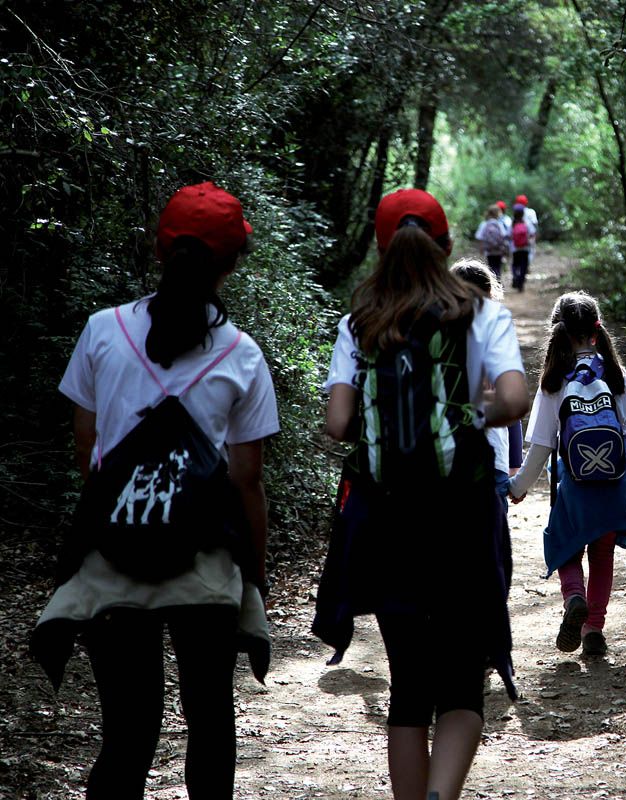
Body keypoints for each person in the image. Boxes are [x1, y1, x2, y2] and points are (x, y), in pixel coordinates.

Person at [32, 181, 278, 799]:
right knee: (211, 728)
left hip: (113, 559)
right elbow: (246, 482)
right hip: (203, 566)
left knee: (128, 735)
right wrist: (255, 574)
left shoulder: (100, 331)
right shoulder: (243, 356)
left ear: (157, 250)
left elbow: (90, 455)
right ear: (231, 264)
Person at [313, 188, 529, 800]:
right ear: (447, 246)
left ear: (380, 249)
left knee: (408, 685)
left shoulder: (359, 324)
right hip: (462, 516)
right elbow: (513, 401)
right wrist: (468, 412)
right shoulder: (481, 313)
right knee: (462, 683)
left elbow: (337, 423)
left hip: (388, 520)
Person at [509, 291, 626, 657]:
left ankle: (573, 596)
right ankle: (594, 627)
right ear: (597, 332)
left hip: (575, 485)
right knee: (603, 553)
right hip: (616, 482)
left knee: (565, 543)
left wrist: (518, 486)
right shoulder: (614, 372)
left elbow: (542, 446)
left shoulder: (554, 380)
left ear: (557, 333)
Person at [450, 257, 525, 512]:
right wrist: (516, 460)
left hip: (447, 460)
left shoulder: (436, 342)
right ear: (491, 294)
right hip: (493, 458)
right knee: (491, 546)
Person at [472, 205, 509, 279]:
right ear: (498, 213)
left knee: (491, 267)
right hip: (498, 250)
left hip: (489, 250)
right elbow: (504, 235)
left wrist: (481, 248)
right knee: (498, 267)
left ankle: (493, 283)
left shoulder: (484, 224)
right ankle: (498, 282)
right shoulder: (499, 224)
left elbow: (479, 237)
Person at [509, 206, 532, 292]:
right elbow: (532, 234)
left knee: (515, 265)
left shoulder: (512, 224)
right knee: (523, 266)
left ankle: (515, 277)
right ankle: (521, 283)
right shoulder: (526, 223)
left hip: (515, 249)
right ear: (523, 214)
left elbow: (508, 236)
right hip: (525, 248)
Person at [514, 193, 539, 263]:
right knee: (530, 250)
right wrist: (536, 234)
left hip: (518, 235)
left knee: (519, 250)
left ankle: (521, 265)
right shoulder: (531, 211)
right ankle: (527, 264)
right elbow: (535, 223)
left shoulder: (516, 212)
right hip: (530, 235)